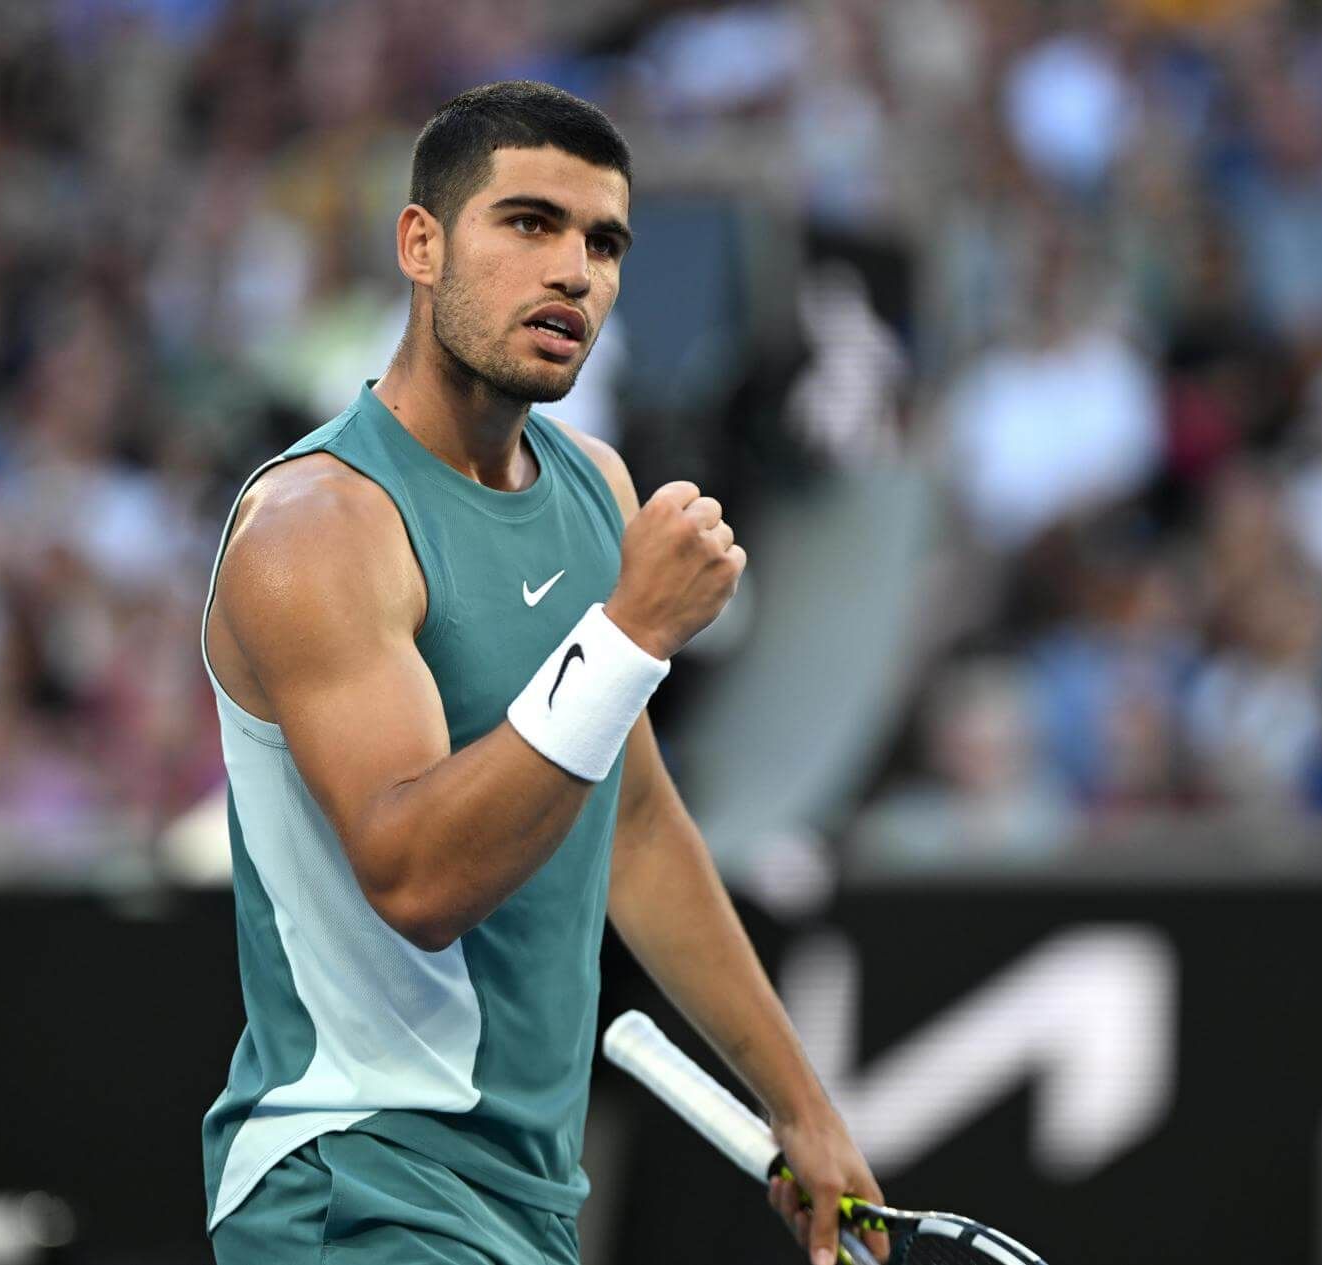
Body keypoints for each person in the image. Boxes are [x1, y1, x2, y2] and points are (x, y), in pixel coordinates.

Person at [199, 81, 884, 1265]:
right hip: (354, 1188)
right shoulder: (316, 528)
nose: (575, 270)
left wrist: (804, 1107)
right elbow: (414, 878)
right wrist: (626, 635)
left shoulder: (595, 491)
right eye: (528, 223)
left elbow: (641, 834)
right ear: (421, 244)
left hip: (520, 1205)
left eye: (603, 242)